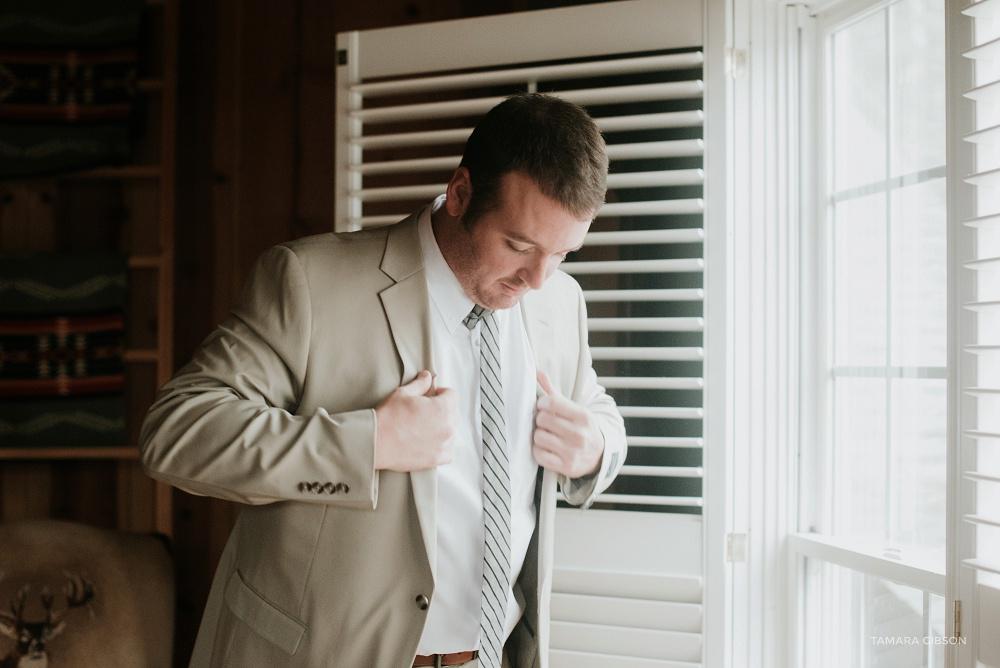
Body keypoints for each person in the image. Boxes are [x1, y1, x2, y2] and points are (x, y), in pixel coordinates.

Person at [140, 93, 626, 668]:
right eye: (518, 245)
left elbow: (597, 409)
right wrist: (368, 444)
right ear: (460, 193)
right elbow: (177, 433)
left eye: (563, 253)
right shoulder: (309, 282)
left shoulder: (559, 302)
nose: (538, 279)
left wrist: (596, 447)